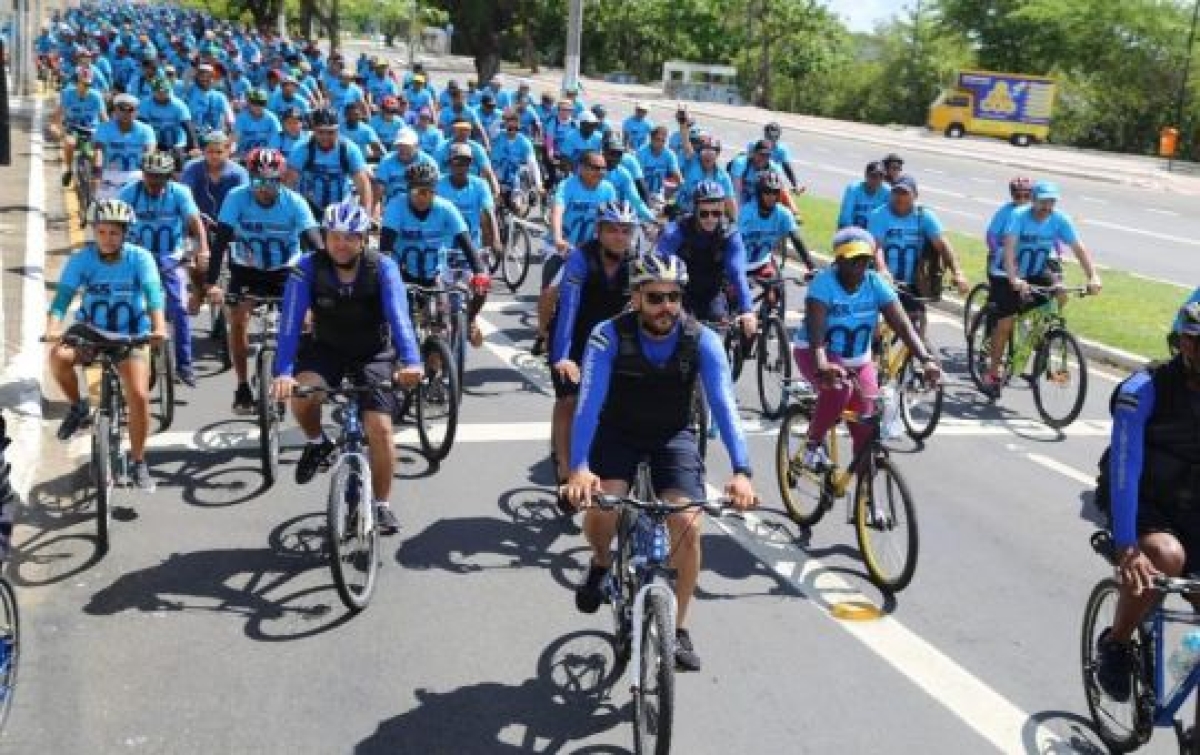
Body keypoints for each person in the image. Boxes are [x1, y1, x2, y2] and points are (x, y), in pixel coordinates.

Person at [563, 253, 757, 672]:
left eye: (674, 297)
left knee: (688, 524)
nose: (666, 307)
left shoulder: (700, 338)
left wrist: (742, 471)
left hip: (673, 436)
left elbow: (725, 406)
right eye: (654, 297)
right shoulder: (607, 335)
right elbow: (588, 404)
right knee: (603, 508)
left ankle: (679, 627)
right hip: (617, 433)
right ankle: (600, 562)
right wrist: (579, 468)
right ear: (635, 298)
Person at [271, 199, 423, 535]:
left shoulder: (382, 267)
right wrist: (282, 371)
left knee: (380, 428)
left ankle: (382, 505)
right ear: (324, 237)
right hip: (327, 348)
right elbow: (289, 324)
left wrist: (412, 361)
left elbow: (400, 318)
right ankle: (316, 441)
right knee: (304, 394)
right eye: (335, 236)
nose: (341, 243)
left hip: (374, 352)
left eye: (350, 237)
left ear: (363, 239)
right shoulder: (306, 268)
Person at [1094, 303, 1200, 712]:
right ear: (1187, 344)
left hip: (1194, 510)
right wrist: (1126, 545)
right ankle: (1116, 643)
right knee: (1166, 558)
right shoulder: (1143, 390)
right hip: (1145, 502)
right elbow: (1125, 467)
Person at [791, 227, 941, 471]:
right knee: (839, 390)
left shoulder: (874, 283)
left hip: (858, 360)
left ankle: (868, 506)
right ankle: (812, 444)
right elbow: (817, 334)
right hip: (816, 352)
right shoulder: (823, 285)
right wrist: (822, 364)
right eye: (853, 260)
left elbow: (902, 323)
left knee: (866, 432)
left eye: (865, 260)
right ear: (838, 260)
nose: (859, 267)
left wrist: (926, 359)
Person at [45, 199, 167, 491]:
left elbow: (153, 297)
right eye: (101, 232)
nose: (107, 239)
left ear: (125, 233)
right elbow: (62, 299)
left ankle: (138, 461)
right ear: (94, 232)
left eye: (114, 232)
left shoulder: (140, 258)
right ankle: (77, 407)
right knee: (58, 357)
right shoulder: (81, 259)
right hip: (91, 333)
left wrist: (159, 327)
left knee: (138, 395)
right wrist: (53, 326)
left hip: (131, 335)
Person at [206, 148, 323, 414]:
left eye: (270, 182)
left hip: (285, 269)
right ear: (250, 179)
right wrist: (211, 283)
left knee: (305, 322)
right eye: (258, 181)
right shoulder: (236, 198)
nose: (263, 188)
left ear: (280, 180)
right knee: (237, 321)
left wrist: (326, 273)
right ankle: (242, 385)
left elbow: (314, 242)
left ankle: (293, 372)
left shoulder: (294, 202)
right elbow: (220, 241)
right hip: (248, 268)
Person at [549, 201, 637, 505]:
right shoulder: (580, 258)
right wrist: (563, 356)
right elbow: (568, 309)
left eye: (625, 231)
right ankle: (563, 470)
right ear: (599, 231)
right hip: (573, 338)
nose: (619, 237)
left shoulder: (637, 262)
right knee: (569, 399)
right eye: (612, 229)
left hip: (610, 343)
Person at [982, 180, 1103, 397]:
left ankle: (1037, 333)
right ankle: (992, 373)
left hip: (1036, 270)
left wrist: (1093, 276)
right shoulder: (1018, 216)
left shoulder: (1059, 219)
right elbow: (1009, 248)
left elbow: (1078, 247)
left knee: (1062, 294)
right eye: (1043, 202)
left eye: (1051, 202)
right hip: (1005, 271)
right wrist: (1014, 278)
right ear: (1034, 201)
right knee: (1006, 323)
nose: (1047, 207)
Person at [117, 151, 208, 387]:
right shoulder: (129, 192)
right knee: (127, 304)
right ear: (143, 174)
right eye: (150, 176)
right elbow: (114, 223)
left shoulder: (180, 193)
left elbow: (194, 222)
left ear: (169, 176)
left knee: (178, 307)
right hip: (137, 257)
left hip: (170, 257)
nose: (155, 181)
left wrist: (203, 249)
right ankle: (124, 360)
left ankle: (185, 365)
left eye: (160, 177)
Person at [378, 162, 491, 335]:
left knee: (443, 326)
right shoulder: (396, 206)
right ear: (408, 190)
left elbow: (466, 242)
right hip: (404, 274)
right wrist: (387, 276)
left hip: (436, 274)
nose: (423, 198)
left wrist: (479, 271)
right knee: (398, 325)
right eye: (417, 192)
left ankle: (450, 343)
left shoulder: (446, 208)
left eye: (429, 192)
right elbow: (385, 248)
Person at [537, 150, 618, 355]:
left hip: (590, 249)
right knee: (549, 292)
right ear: (581, 168)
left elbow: (614, 218)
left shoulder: (608, 189)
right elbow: (558, 211)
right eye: (595, 168)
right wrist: (557, 238)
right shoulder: (567, 186)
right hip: (563, 247)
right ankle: (542, 333)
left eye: (603, 168)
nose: (600, 172)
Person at [867, 174, 969, 332]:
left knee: (919, 320)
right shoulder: (879, 215)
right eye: (897, 192)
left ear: (915, 195)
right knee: (873, 326)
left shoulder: (924, 216)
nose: (900, 197)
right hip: (884, 279)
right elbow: (876, 247)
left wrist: (958, 272)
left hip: (912, 283)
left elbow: (943, 245)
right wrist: (882, 269)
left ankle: (915, 354)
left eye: (905, 193)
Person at [655, 180, 755, 339]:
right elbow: (659, 268)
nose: (710, 219)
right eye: (704, 213)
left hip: (712, 295)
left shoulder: (730, 234)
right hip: (680, 294)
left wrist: (748, 311)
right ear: (695, 211)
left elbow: (737, 272)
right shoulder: (676, 231)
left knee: (718, 343)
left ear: (723, 211)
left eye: (716, 213)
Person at [284, 106, 373, 216]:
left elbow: (363, 185)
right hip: (308, 207)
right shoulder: (302, 148)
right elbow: (289, 184)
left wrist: (365, 216)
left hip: (341, 208)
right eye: (321, 132)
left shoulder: (349, 149)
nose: (325, 137)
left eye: (331, 132)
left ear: (338, 130)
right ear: (314, 130)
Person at [737, 171, 814, 286]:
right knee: (736, 297)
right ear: (759, 193)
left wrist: (812, 268)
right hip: (739, 264)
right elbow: (734, 243)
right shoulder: (747, 213)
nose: (771, 197)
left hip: (762, 263)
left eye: (775, 192)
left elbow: (797, 239)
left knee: (774, 291)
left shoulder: (784, 213)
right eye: (767, 192)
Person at [93, 92, 157, 201]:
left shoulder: (146, 130)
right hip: (109, 174)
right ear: (115, 111)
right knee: (102, 209)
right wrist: (97, 172)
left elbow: (150, 153)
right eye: (122, 109)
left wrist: (148, 175)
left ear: (137, 112)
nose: (126, 113)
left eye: (130, 109)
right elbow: (99, 151)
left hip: (136, 174)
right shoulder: (104, 128)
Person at [55, 66, 107, 189]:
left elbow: (104, 117)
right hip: (72, 128)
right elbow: (58, 114)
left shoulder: (96, 96)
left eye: (89, 84)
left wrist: (108, 132)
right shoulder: (67, 94)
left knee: (97, 152)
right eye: (84, 84)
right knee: (70, 143)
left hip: (92, 129)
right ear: (77, 81)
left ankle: (96, 179)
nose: (86, 87)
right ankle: (68, 170)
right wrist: (59, 130)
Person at [836, 161, 891, 230]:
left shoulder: (888, 192)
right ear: (866, 175)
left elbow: (888, 218)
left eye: (881, 176)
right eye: (874, 176)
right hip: (853, 229)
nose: (877, 179)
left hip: (875, 232)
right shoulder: (853, 189)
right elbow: (846, 217)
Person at [232, 88, 281, 160]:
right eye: (254, 102)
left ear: (266, 104)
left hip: (266, 156)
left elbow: (275, 144)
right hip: (243, 155)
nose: (258, 106)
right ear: (249, 103)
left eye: (261, 103)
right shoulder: (241, 118)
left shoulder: (272, 119)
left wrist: (264, 156)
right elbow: (235, 138)